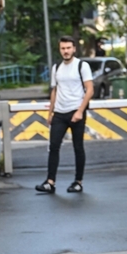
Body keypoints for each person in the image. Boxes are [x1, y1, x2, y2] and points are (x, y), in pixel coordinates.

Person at [36, 36, 93, 194]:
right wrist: (50, 113)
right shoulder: (57, 67)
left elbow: (90, 89)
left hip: (76, 111)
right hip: (59, 113)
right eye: (63, 48)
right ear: (59, 49)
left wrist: (80, 111)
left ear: (74, 48)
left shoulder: (82, 65)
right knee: (53, 147)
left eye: (68, 48)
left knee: (78, 147)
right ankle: (50, 182)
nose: (66, 51)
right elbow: (54, 90)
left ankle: (78, 181)